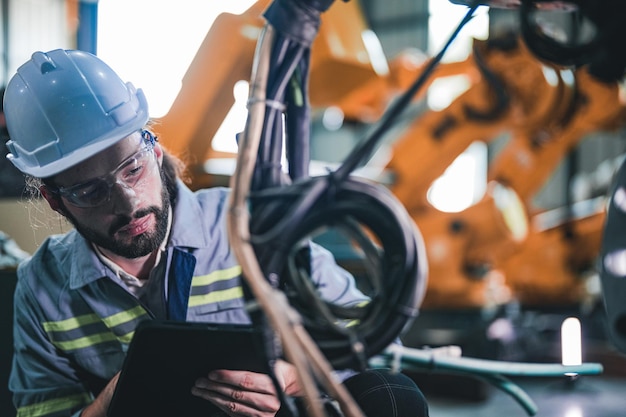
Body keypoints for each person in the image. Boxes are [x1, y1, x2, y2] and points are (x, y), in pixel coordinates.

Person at [5, 49, 429, 417]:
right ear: (55, 199)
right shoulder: (44, 287)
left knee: (393, 399)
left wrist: (292, 377)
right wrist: (115, 399)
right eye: (90, 191)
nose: (128, 202)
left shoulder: (247, 226)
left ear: (154, 150)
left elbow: (367, 331)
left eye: (132, 168)